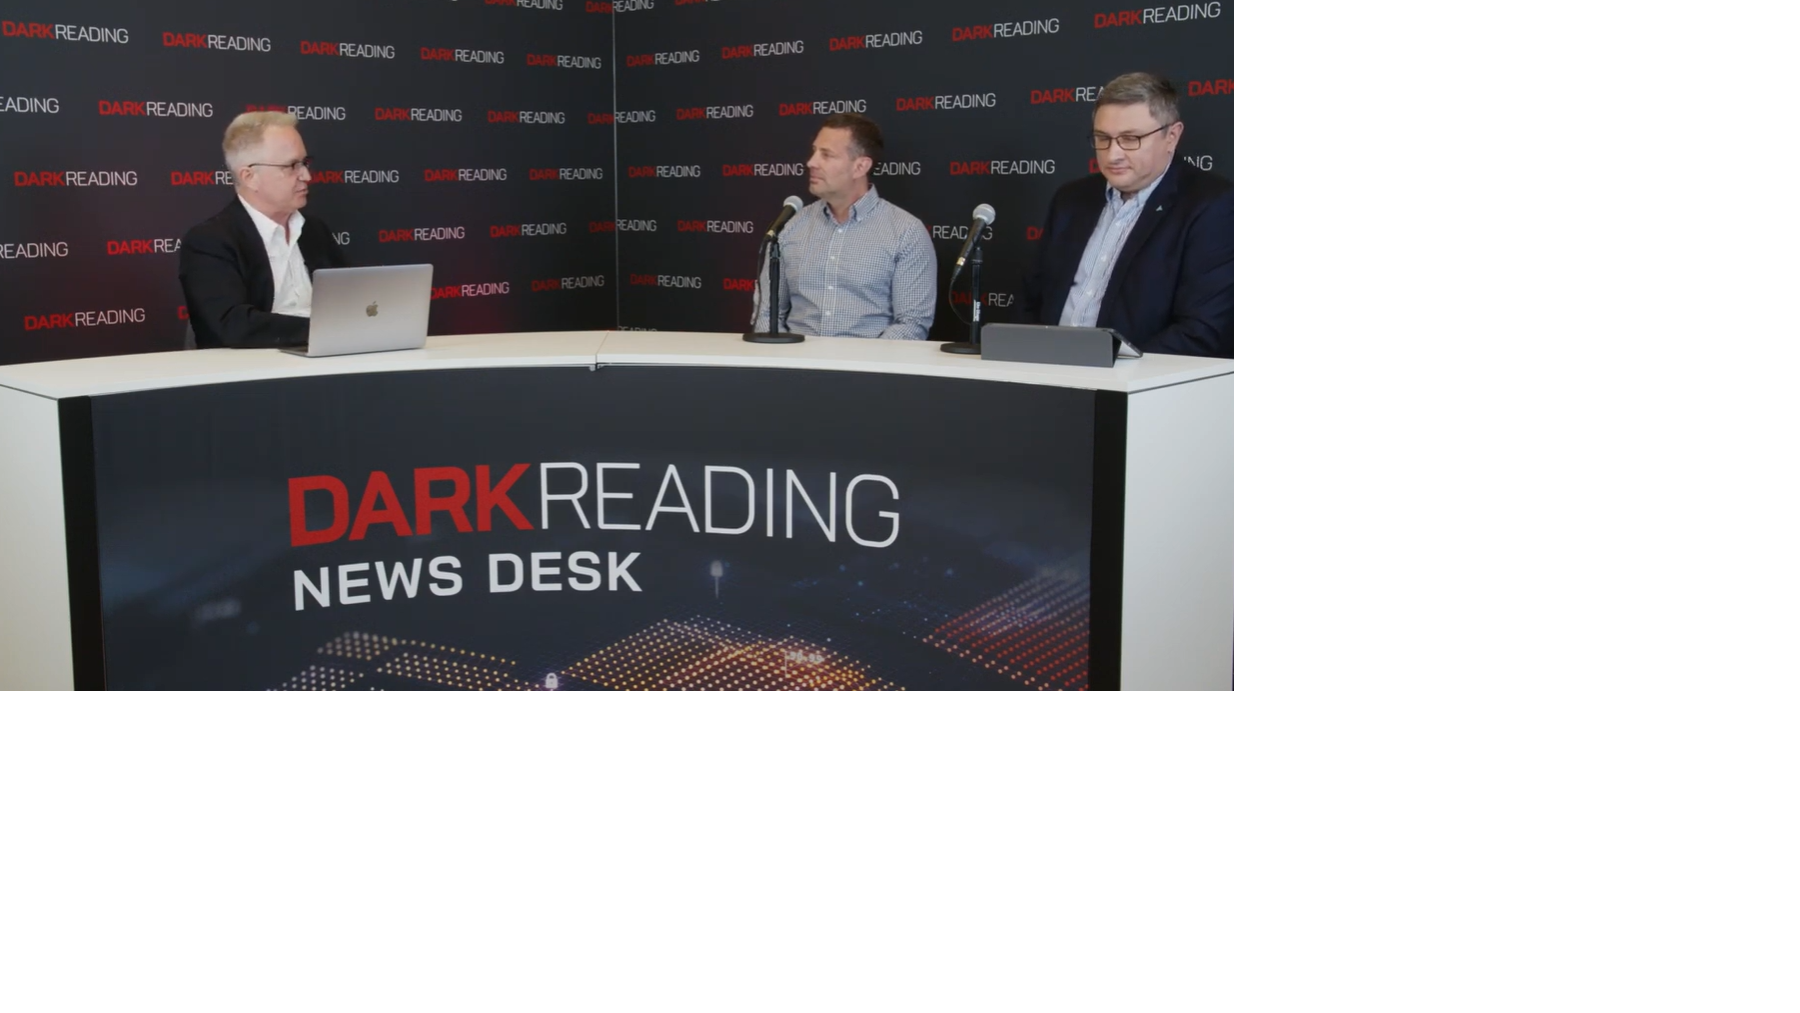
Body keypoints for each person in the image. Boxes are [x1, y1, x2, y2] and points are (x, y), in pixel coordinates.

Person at [1020, 72, 1233, 358]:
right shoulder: (1071, 200)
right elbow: (1031, 299)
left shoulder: (1212, 204)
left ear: (1172, 136)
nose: (1112, 155)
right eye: (1102, 139)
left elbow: (1201, 330)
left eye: (1130, 139)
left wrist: (1112, 368)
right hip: (1046, 375)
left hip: (1143, 389)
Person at [752, 113, 936, 340]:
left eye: (826, 155)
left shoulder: (905, 232)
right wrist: (785, 361)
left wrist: (858, 368)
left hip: (869, 370)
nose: (811, 162)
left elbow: (911, 325)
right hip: (795, 367)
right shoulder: (791, 226)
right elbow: (766, 314)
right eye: (814, 151)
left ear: (860, 166)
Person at [178, 111, 349, 348]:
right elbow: (231, 325)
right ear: (250, 177)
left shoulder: (314, 231)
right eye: (292, 166)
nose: (306, 175)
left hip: (328, 359)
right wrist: (324, 330)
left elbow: (348, 302)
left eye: (305, 163)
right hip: (253, 374)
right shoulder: (209, 241)